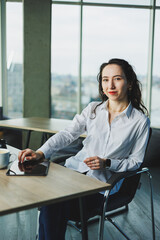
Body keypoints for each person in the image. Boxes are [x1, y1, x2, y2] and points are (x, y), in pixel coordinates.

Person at [18, 58, 150, 240]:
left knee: (53, 202)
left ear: (129, 84)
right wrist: (41, 153)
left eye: (117, 78)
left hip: (100, 186)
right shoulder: (93, 109)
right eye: (105, 79)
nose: (110, 84)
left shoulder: (140, 122)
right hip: (72, 174)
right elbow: (68, 134)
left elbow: (135, 162)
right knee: (49, 198)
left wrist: (107, 163)